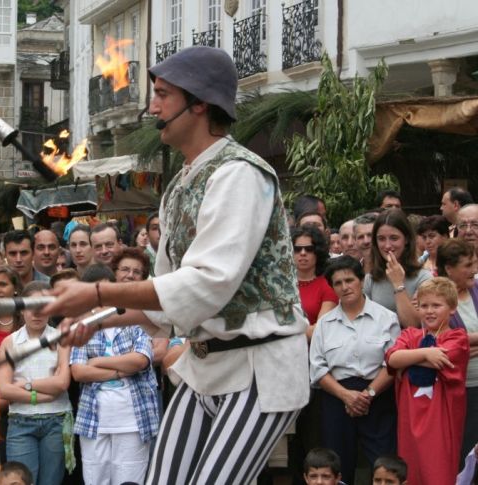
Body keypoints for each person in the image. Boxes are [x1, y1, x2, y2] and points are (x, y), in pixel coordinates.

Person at [44, 45, 309, 484]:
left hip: (261, 365)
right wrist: (95, 319)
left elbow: (206, 283)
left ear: (199, 103)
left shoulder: (241, 173)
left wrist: (96, 292)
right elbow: (165, 301)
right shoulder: (179, 188)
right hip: (204, 365)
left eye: (163, 94)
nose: (153, 106)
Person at [309, 256, 400, 484]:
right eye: (338, 283)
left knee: (383, 463)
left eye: (349, 280)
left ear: (361, 280)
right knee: (337, 462)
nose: (344, 287)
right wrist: (346, 396)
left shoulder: (386, 318)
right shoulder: (324, 324)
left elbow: (392, 363)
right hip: (337, 398)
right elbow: (318, 369)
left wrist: (367, 395)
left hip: (377, 396)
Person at [70, 264, 158, 485]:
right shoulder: (82, 327)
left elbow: (140, 360)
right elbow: (79, 371)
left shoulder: (135, 321)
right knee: (95, 481)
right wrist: (121, 371)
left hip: (133, 420)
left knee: (130, 482)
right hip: (93, 420)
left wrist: (98, 362)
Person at [385, 277, 470, 485]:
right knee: (410, 472)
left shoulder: (457, 338)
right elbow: (392, 358)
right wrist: (425, 353)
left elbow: (442, 360)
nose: (429, 311)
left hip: (440, 422)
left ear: (452, 308)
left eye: (436, 305)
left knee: (437, 471)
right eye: (424, 306)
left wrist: (409, 360)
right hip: (410, 419)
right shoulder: (410, 334)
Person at [0, 282, 73, 485]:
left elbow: (62, 382)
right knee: (18, 481)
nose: (36, 313)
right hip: (21, 421)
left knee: (51, 482)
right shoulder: (10, 342)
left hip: (55, 420)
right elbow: (3, 388)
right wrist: (40, 394)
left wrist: (26, 384)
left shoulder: (61, 339)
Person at [436, 238, 478, 465]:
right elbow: (445, 344)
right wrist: (463, 343)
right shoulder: (436, 297)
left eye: (474, 263)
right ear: (449, 269)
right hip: (462, 389)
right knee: (468, 451)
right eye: (468, 265)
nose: (474, 270)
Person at [363, 209, 432, 328]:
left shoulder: (424, 278)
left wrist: (398, 283)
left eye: (394, 238)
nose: (387, 245)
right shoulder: (371, 279)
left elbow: (413, 325)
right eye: (381, 239)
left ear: (406, 240)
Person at [291, 226, 337, 332]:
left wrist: (285, 336)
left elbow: (320, 329)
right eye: (297, 249)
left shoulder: (328, 286)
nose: (303, 253)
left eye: (309, 249)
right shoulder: (280, 284)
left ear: (318, 252)